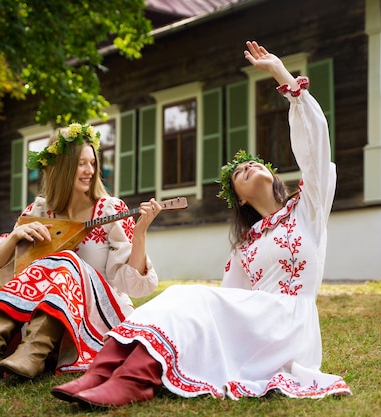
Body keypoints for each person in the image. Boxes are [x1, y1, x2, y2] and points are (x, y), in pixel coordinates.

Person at [49, 41, 351, 408]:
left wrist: (281, 74)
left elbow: (317, 146)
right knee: (183, 296)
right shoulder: (246, 245)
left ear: (273, 176)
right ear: (239, 197)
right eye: (240, 171)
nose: (250, 166)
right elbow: (228, 299)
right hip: (256, 324)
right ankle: (101, 372)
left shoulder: (308, 208)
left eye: (256, 164)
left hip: (288, 327)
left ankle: (132, 381)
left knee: (191, 294)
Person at [0, 122, 161, 381]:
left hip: (98, 317)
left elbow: (135, 286)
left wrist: (139, 232)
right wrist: (16, 236)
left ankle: (33, 353)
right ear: (62, 168)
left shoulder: (111, 210)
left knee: (64, 259)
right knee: (51, 262)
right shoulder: (39, 211)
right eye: (81, 164)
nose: (90, 170)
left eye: (92, 163)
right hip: (47, 315)